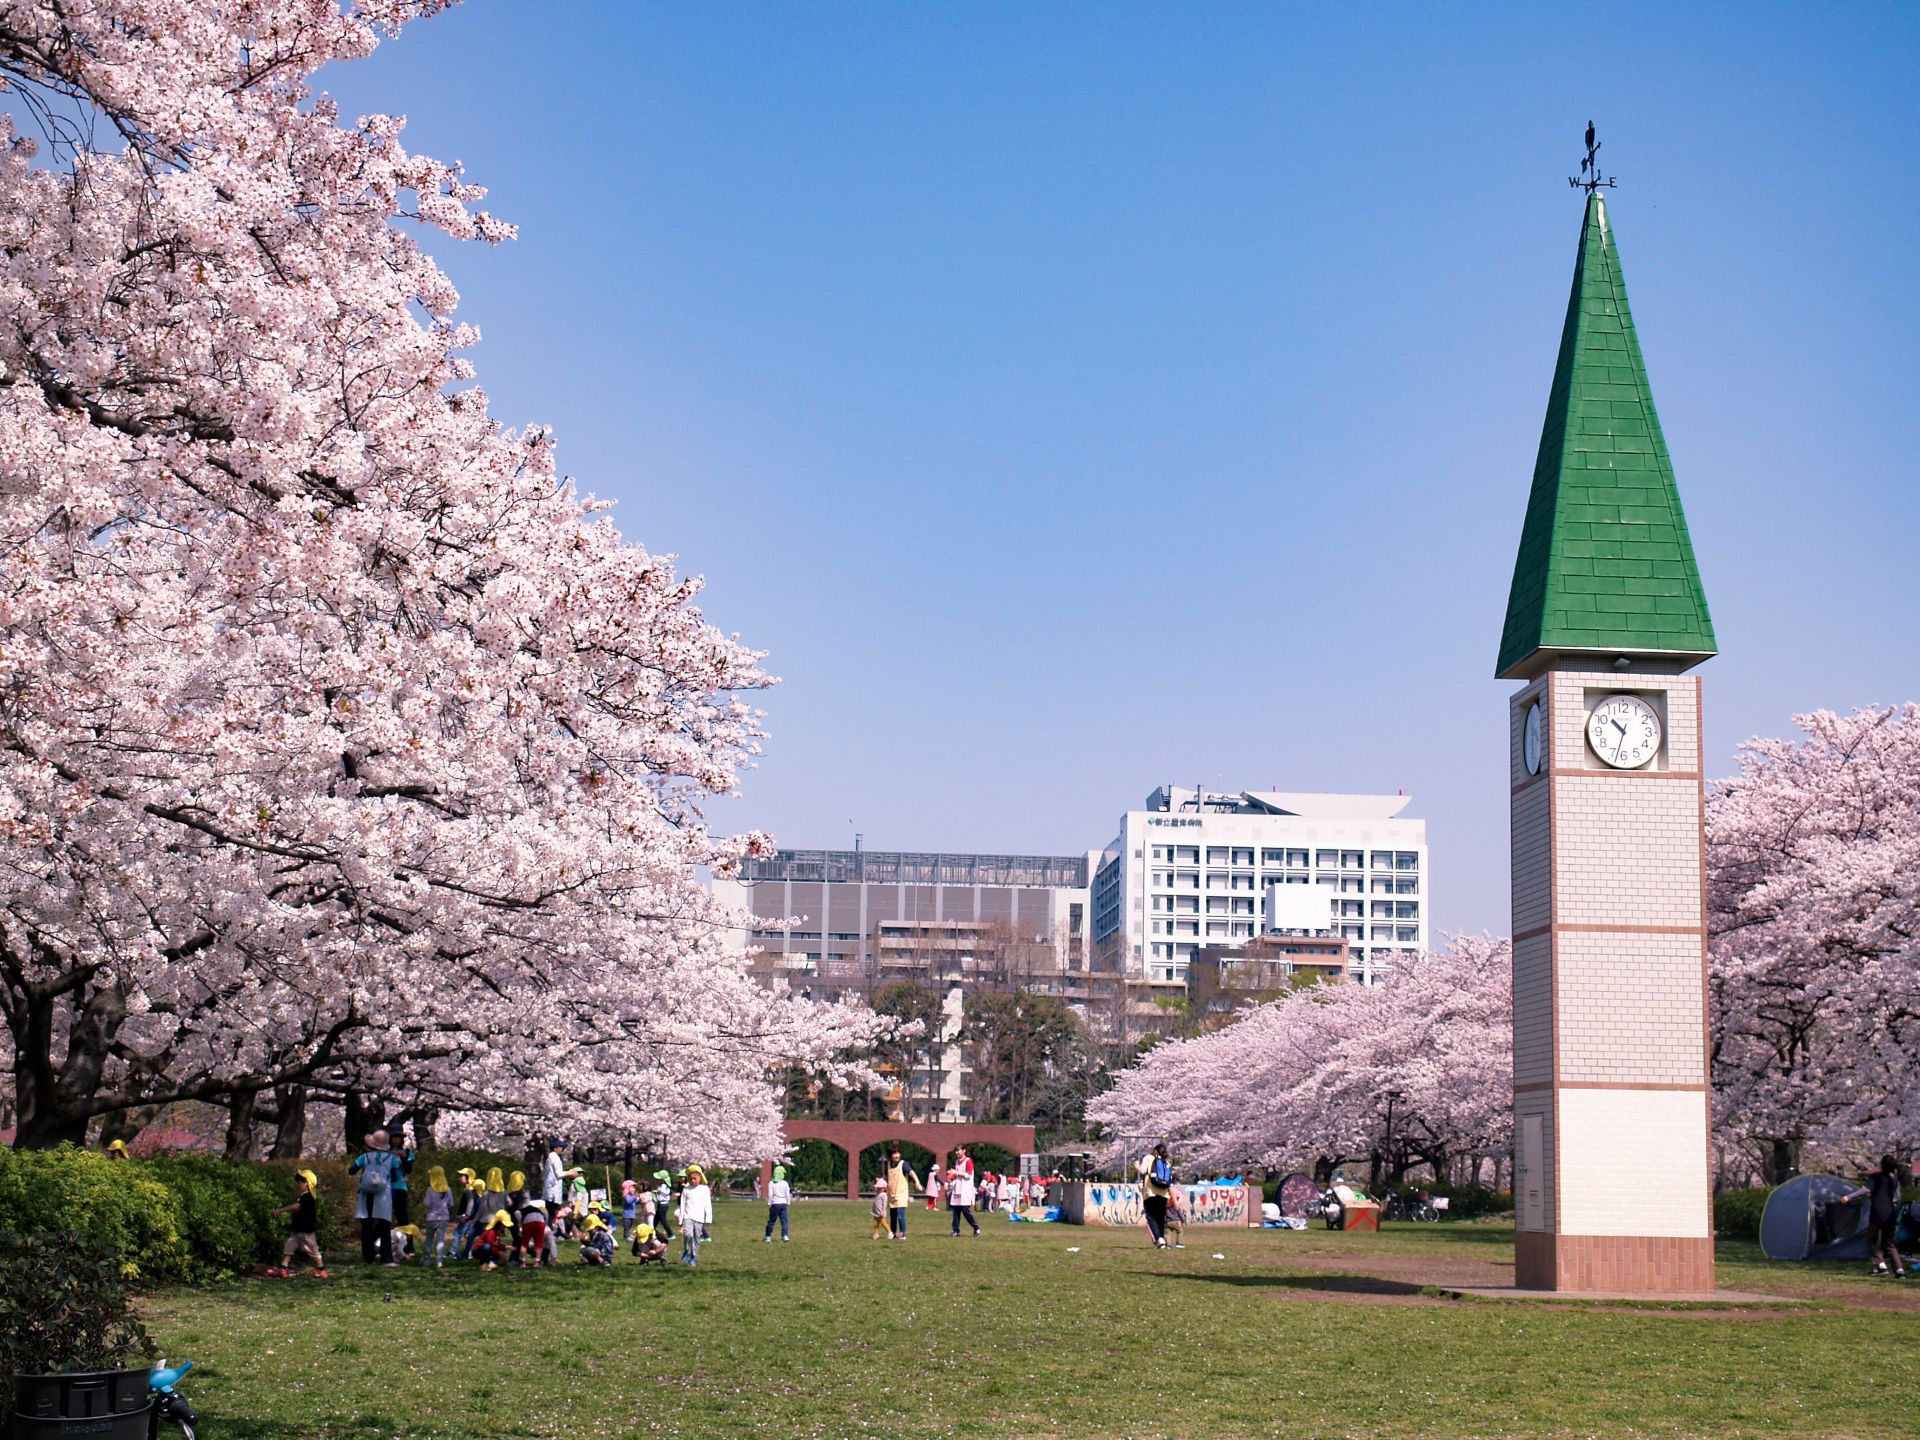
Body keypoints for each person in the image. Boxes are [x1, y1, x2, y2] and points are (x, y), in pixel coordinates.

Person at [1842, 1155, 1907, 1277]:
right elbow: (1894, 1196)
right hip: (1890, 1213)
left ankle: (1881, 1265)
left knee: (1871, 1239)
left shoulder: (1876, 1177)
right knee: (1889, 1244)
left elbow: (1866, 1190)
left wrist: (1849, 1197)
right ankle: (1899, 1270)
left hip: (1878, 1212)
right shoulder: (1894, 1179)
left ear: (1882, 1165)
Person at [349, 1129, 403, 1265]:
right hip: (384, 1195)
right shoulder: (392, 1158)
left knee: (367, 1225)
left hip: (366, 1194)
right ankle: (386, 1258)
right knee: (385, 1227)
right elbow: (397, 1177)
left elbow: (351, 1170)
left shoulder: (365, 1157)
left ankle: (368, 1257)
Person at [270, 1169, 328, 1277]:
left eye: (299, 1182)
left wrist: (280, 1210)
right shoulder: (302, 1196)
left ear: (306, 1183)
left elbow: (297, 1206)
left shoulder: (308, 1196)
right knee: (289, 1246)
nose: (298, 1184)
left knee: (313, 1250)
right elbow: (298, 1209)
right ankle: (283, 1268)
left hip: (306, 1230)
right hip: (298, 1229)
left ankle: (321, 1269)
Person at [1138, 1142, 1173, 1249]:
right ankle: (1161, 1239)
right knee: (1160, 1217)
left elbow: (1143, 1171)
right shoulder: (1167, 1163)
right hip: (1163, 1193)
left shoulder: (1148, 1158)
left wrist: (1137, 1167)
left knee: (1151, 1216)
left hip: (1151, 1192)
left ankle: (1159, 1239)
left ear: (1155, 1151)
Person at [678, 1165, 713, 1266]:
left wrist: (708, 1218)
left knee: (696, 1237)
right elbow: (682, 1205)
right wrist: (681, 1220)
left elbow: (707, 1204)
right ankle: (687, 1251)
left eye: (695, 1178)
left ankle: (693, 1256)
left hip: (699, 1218)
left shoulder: (704, 1189)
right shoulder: (686, 1189)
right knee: (688, 1235)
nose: (693, 1180)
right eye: (691, 1178)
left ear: (700, 1178)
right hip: (688, 1217)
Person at [421, 1164, 452, 1267]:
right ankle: (439, 1261)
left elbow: (427, 1204)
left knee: (429, 1240)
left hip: (431, 1218)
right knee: (440, 1240)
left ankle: (426, 1260)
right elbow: (451, 1203)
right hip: (444, 1218)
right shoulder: (448, 1189)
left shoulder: (429, 1190)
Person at [885, 1148, 919, 1239]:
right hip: (892, 1194)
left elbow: (911, 1173)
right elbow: (886, 1177)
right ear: (890, 1156)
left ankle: (902, 1233)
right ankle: (893, 1233)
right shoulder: (888, 1165)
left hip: (901, 1194)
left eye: (898, 1153)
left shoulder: (903, 1164)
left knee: (900, 1214)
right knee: (893, 1215)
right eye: (894, 1154)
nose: (897, 1156)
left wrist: (917, 1182)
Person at [387, 1132, 416, 1228]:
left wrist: (404, 1158)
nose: (396, 1140)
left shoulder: (407, 1152)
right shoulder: (385, 1153)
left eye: (398, 1138)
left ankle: (407, 1241)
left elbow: (409, 1170)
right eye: (394, 1137)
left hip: (400, 1187)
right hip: (385, 1188)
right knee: (384, 1217)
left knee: (402, 1216)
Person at [947, 1159, 980, 1237]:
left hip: (965, 1189)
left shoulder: (968, 1161)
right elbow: (958, 1175)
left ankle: (976, 1227)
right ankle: (956, 1230)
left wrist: (956, 1172)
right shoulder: (957, 1161)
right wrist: (953, 1175)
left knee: (965, 1210)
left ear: (964, 1151)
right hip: (957, 1188)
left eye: (959, 1150)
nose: (957, 1153)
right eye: (956, 1151)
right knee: (955, 1211)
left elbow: (968, 1175)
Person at [764, 1164, 793, 1242]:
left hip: (775, 1203)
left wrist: (769, 1203)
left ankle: (768, 1237)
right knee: (784, 1221)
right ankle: (785, 1235)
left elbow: (770, 1195)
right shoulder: (785, 1183)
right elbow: (787, 1194)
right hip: (783, 1204)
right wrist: (788, 1202)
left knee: (771, 1221)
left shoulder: (771, 1183)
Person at [651, 1170, 675, 1242]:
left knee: (663, 1220)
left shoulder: (664, 1186)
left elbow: (665, 1192)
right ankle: (652, 1231)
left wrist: (658, 1191)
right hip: (660, 1204)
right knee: (655, 1220)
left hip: (663, 1205)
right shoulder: (661, 1186)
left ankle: (671, 1234)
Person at [870, 1176, 891, 1240]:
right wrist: (877, 1180)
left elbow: (884, 1204)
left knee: (884, 1223)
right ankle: (876, 1234)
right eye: (878, 1187)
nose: (879, 1188)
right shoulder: (878, 1192)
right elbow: (874, 1186)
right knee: (875, 1224)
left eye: (880, 1187)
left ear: (884, 1188)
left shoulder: (884, 1195)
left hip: (881, 1212)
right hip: (875, 1211)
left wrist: (883, 1211)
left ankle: (890, 1233)